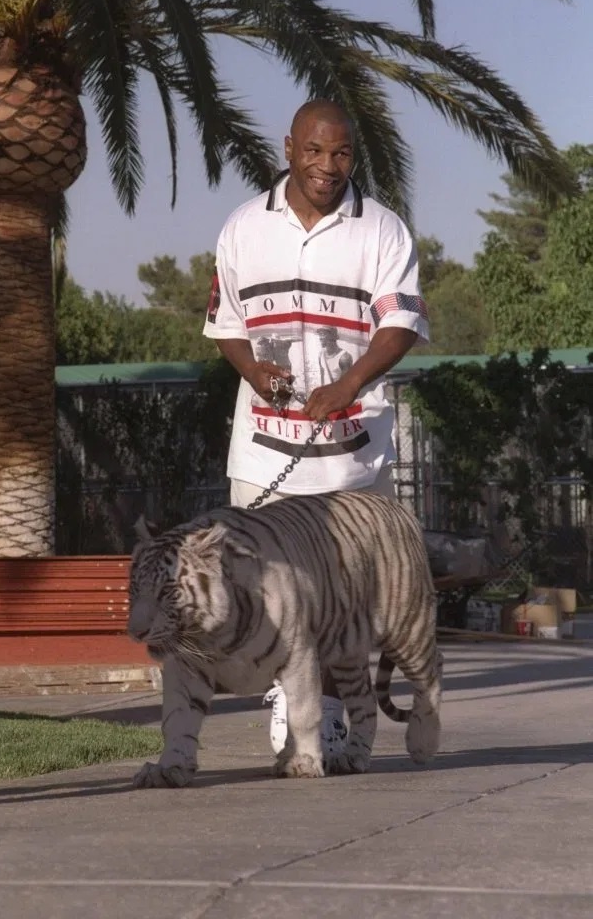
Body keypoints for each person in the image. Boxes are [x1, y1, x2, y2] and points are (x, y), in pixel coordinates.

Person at [203, 98, 429, 760]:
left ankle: (328, 712)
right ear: (288, 148)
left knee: (343, 597)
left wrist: (349, 383)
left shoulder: (382, 231)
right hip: (263, 453)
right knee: (262, 589)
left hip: (351, 456)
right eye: (314, 150)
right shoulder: (243, 227)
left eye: (342, 153)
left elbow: (401, 323)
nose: (328, 165)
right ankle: (289, 695)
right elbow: (226, 324)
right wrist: (253, 371)